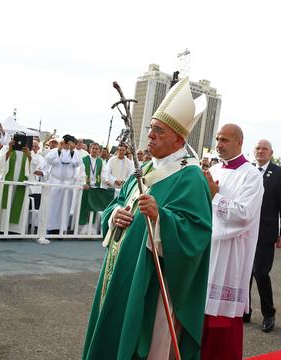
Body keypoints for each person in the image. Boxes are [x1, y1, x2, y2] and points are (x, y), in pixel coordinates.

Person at [83, 77, 212, 359]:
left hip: (153, 280)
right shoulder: (143, 171)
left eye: (159, 131)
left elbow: (197, 232)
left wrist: (160, 218)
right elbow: (117, 203)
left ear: (179, 138)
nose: (150, 136)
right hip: (119, 269)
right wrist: (114, 215)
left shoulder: (190, 176)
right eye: (150, 129)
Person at [201, 124, 264, 359]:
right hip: (206, 249)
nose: (219, 144)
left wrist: (215, 195)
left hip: (230, 255)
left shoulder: (251, 175)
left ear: (239, 142)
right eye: (217, 139)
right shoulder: (215, 169)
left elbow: (244, 214)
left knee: (221, 323)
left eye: (225, 140)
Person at [244, 139, 281, 333]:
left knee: (260, 273)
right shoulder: (246, 170)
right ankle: (244, 310)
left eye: (265, 149)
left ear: (271, 153)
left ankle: (268, 314)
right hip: (245, 230)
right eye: (258, 148)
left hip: (265, 232)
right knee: (245, 273)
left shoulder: (279, 174)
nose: (261, 151)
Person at [0, 133, 38, 234]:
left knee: (18, 206)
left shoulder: (27, 151)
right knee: (5, 205)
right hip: (7, 182)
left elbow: (35, 164)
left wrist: (29, 154)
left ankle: (15, 230)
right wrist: (10, 150)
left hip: (22, 184)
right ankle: (2, 229)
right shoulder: (6, 148)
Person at [44, 135, 82, 235]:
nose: (69, 145)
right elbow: (49, 160)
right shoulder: (55, 151)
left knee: (65, 207)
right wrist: (59, 150)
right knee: (53, 206)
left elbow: (77, 163)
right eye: (68, 143)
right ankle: (50, 228)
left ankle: (61, 229)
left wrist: (72, 151)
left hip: (68, 184)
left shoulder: (75, 153)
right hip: (55, 182)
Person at [78, 143, 113, 235]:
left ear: (99, 151)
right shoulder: (84, 159)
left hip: (95, 188)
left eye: (97, 149)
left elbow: (103, 173)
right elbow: (81, 172)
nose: (95, 150)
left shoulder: (100, 161)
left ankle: (91, 229)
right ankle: (80, 229)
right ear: (90, 149)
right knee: (83, 207)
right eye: (93, 148)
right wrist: (84, 183)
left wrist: (106, 181)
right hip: (86, 188)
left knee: (93, 208)